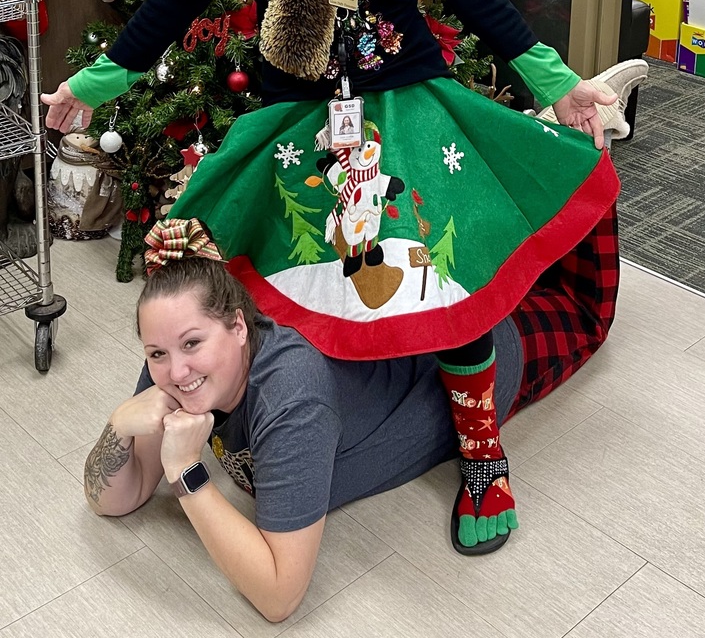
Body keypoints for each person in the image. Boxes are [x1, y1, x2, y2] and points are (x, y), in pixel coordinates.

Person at [44, 0, 644, 555]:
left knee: (445, 280)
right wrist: (93, 85)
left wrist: (559, 84)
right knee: (260, 274)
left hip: (406, 109)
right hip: (296, 120)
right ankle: (250, 423)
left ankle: (482, 452)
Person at [84, 214, 619, 622]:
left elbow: (278, 597)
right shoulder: (177, 366)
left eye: (191, 344)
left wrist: (187, 473)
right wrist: (120, 424)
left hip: (480, 366)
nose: (175, 371)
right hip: (393, 354)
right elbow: (114, 500)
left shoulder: (291, 400)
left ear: (240, 327)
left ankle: (582, 138)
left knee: (580, 307)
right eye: (156, 353)